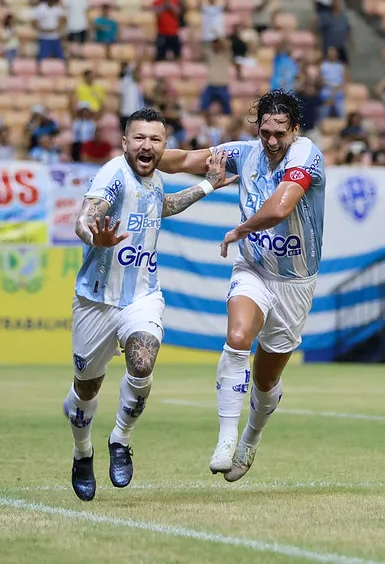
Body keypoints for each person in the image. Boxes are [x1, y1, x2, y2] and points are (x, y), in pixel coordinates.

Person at [65, 107, 235, 501]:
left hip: (142, 295)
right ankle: (82, 453)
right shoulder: (113, 175)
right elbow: (84, 218)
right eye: (139, 138)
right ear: (125, 142)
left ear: (163, 145)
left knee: (142, 362)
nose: (147, 145)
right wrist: (94, 237)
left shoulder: (154, 178)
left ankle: (120, 441)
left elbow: (164, 206)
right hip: (96, 301)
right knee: (85, 390)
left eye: (155, 139)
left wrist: (207, 187)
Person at [157, 90, 325, 482]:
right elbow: (184, 160)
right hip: (253, 268)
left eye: (279, 133)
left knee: (267, 380)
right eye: (264, 131)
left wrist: (241, 228)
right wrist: (142, 155)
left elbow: (281, 206)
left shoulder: (306, 156)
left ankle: (251, 436)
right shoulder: (244, 153)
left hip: (295, 282)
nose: (270, 141)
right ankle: (226, 438)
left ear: (295, 130)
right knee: (236, 338)